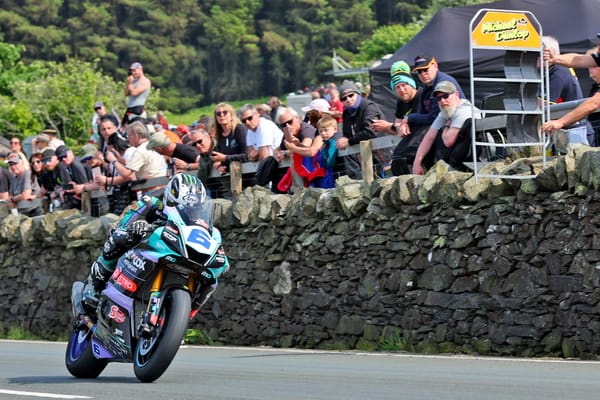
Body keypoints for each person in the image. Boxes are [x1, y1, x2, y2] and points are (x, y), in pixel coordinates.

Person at [81, 173, 229, 313]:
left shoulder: (199, 218)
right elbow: (125, 223)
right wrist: (135, 227)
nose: (187, 208)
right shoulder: (152, 202)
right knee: (118, 238)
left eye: (192, 206)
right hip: (144, 241)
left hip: (173, 248)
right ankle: (93, 286)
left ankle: (181, 314)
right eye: (181, 204)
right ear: (170, 197)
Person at [371, 60, 428, 176]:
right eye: (397, 87)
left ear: (411, 83)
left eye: (404, 85)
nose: (402, 90)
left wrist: (389, 125)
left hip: (424, 142)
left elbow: (414, 126)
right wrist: (383, 127)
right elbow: (398, 129)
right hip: (411, 144)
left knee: (398, 160)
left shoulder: (422, 96)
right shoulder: (401, 102)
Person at [539, 36, 593, 146]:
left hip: (575, 131)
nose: (534, 58)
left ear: (549, 53)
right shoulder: (556, 69)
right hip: (569, 129)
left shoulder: (558, 72)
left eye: (537, 54)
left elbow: (543, 106)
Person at [412, 81, 474, 175]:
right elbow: (429, 137)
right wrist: (417, 163)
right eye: (439, 98)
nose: (442, 101)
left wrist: (446, 126)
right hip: (463, 155)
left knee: (440, 132)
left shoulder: (464, 110)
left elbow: (448, 141)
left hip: (478, 155)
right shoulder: (446, 111)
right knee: (428, 134)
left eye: (445, 96)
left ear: (456, 94)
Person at [94, 121, 168, 195]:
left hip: (152, 193)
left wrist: (113, 160)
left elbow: (127, 174)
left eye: (128, 136)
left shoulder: (140, 151)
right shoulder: (152, 146)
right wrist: (121, 160)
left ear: (136, 136)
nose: (127, 139)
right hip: (163, 189)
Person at [335, 80, 384, 179]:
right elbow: (347, 133)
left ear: (358, 94)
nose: (348, 99)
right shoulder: (347, 113)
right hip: (362, 157)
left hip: (381, 156)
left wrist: (349, 141)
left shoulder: (369, 107)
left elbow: (370, 131)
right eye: (344, 98)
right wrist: (343, 140)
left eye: (351, 95)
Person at [284, 115, 339, 189]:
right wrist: (299, 144)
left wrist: (293, 148)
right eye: (320, 131)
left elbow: (312, 152)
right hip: (324, 175)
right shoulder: (325, 141)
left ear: (335, 129)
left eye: (325, 130)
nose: (323, 133)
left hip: (330, 174)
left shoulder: (331, 141)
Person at [55, 145, 93, 210]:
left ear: (71, 152)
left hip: (88, 199)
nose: (63, 159)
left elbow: (84, 186)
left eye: (65, 156)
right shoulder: (72, 164)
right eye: (60, 159)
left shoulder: (75, 165)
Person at [7, 153, 43, 217]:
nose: (13, 167)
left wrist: (14, 199)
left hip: (33, 211)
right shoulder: (14, 178)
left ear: (22, 163)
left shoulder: (28, 174)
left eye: (15, 164)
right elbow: (10, 197)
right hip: (21, 213)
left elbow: (26, 194)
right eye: (11, 165)